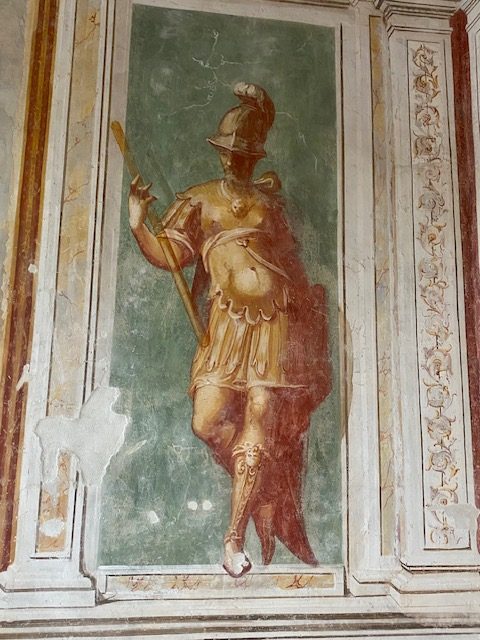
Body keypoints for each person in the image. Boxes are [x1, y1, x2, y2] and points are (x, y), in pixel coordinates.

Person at [128, 82, 331, 578]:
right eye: (227, 153)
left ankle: (233, 537)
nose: (233, 161)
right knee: (206, 421)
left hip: (276, 321)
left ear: (252, 157)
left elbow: (291, 262)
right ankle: (263, 485)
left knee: (259, 414)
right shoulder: (198, 200)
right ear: (220, 154)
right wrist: (139, 225)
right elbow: (172, 257)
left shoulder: (268, 204)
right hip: (227, 324)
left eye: (242, 155)